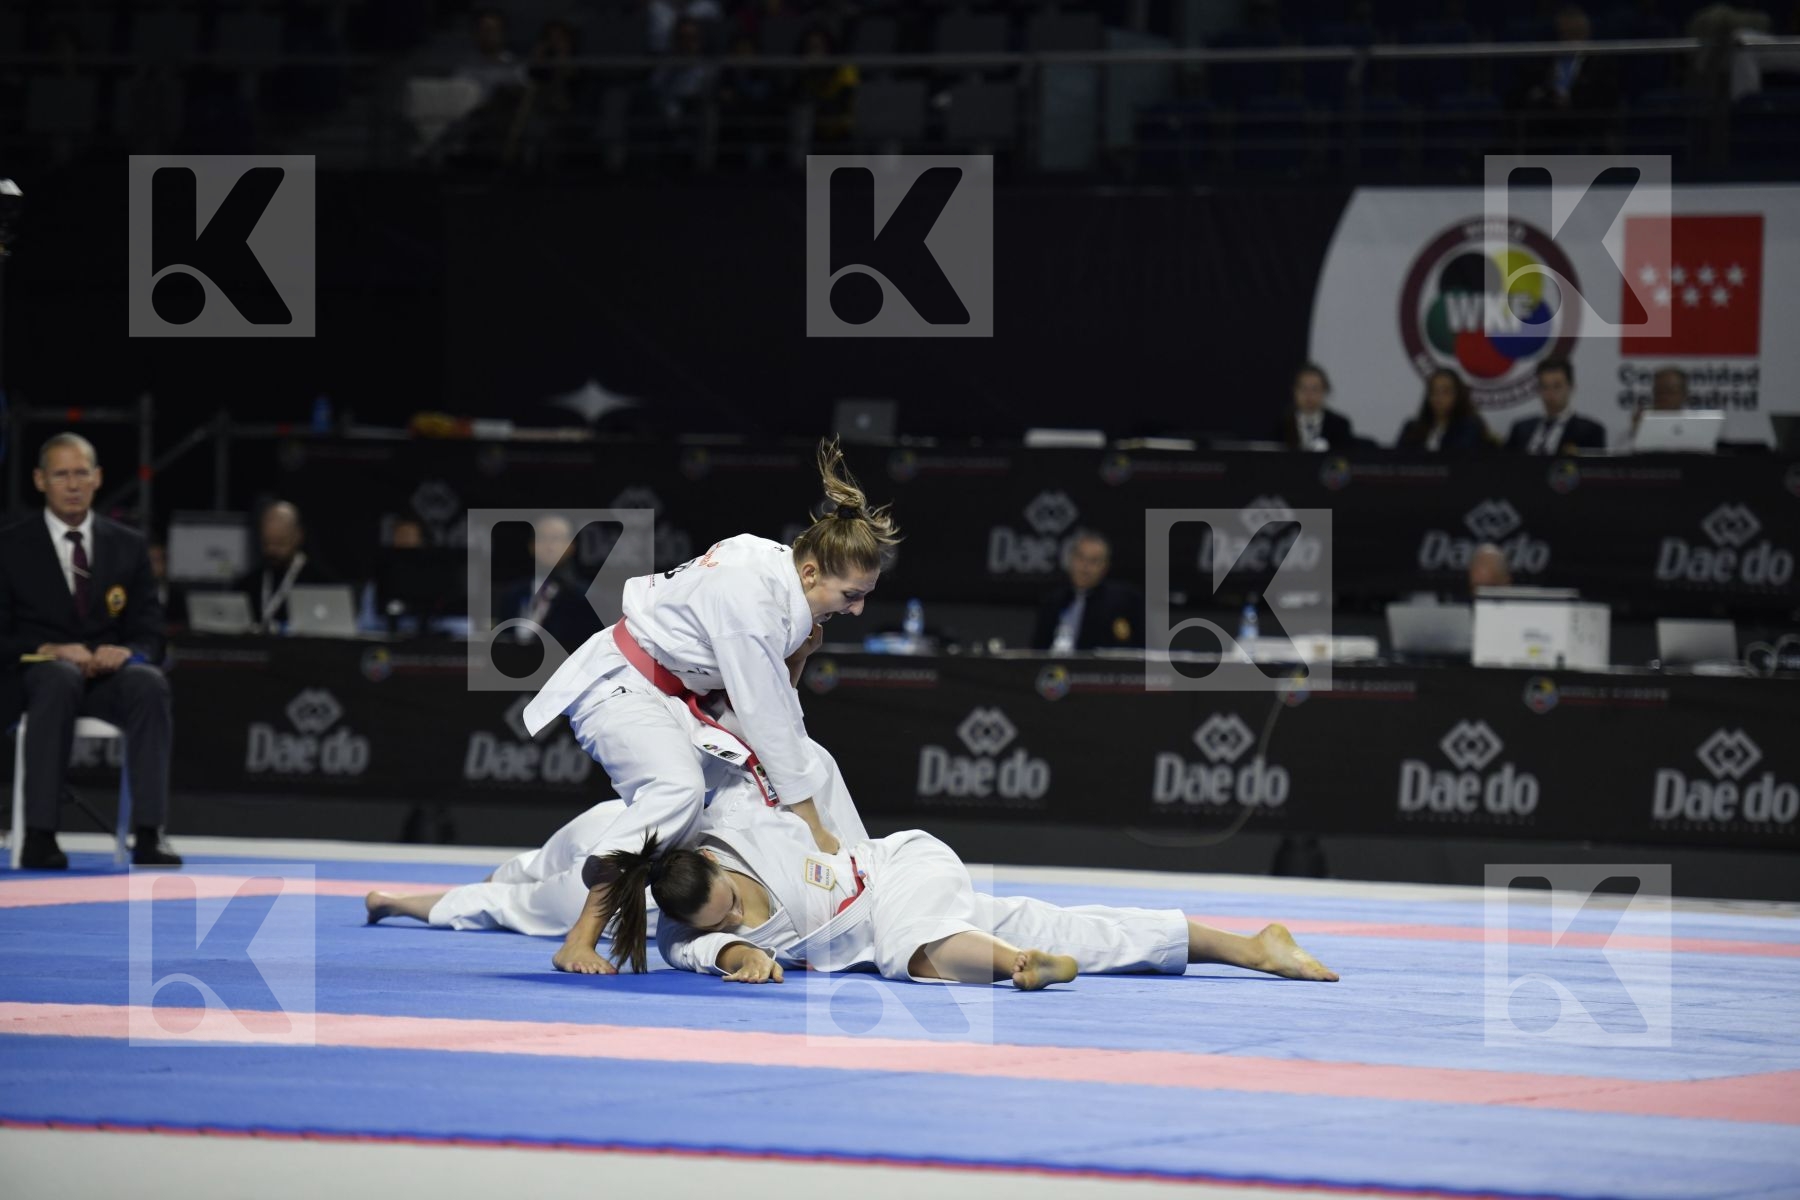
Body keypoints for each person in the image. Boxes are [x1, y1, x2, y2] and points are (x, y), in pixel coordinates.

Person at [522, 437, 900, 975]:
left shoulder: (775, 571)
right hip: (622, 684)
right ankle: (580, 936)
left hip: (677, 698)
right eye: (851, 595)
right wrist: (814, 827)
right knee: (676, 790)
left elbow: (773, 711)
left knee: (794, 765)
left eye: (865, 595)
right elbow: (767, 720)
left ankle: (856, 896)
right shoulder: (752, 597)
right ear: (812, 573)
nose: (858, 609)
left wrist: (799, 656)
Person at [589, 789, 1339, 989]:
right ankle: (1247, 946)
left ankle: (1015, 965)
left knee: (907, 956)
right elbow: (715, 957)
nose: (737, 916)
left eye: (731, 899)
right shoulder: (686, 935)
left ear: (715, 865)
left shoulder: (735, 827)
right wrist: (735, 958)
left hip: (902, 867)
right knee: (1082, 936)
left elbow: (766, 731)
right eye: (725, 920)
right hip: (906, 914)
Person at [364, 730, 862, 937]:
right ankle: (391, 902)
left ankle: (401, 900)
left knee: (523, 874)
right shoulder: (804, 778)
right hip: (617, 877)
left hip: (622, 823)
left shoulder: (772, 782)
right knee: (506, 902)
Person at [0, 433, 180, 869]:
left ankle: (151, 832)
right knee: (58, 676)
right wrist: (48, 648)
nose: (73, 484)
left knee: (149, 682)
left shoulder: (128, 544)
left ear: (98, 478)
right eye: (61, 474)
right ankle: (40, 836)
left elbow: (151, 632)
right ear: (40, 480)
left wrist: (128, 651)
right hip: (36, 675)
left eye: (82, 473)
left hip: (105, 676)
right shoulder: (10, 544)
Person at [496, 513, 604, 655]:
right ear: (531, 546)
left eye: (556, 539)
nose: (549, 546)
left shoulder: (588, 598)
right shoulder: (511, 595)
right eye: (542, 538)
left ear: (571, 546)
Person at [1031, 529, 1145, 653]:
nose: (1085, 567)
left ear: (1105, 566)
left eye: (1093, 561)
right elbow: (1037, 651)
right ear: (1070, 559)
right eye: (1080, 558)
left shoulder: (1125, 601)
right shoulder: (1054, 602)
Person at [238, 501, 334, 631]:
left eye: (280, 543)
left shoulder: (321, 583)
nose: (272, 550)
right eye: (267, 543)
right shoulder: (246, 585)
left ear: (298, 536)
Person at [1504, 357, 1606, 454]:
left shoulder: (1590, 432)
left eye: (1557, 386)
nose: (1550, 393)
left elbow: (1592, 470)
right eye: (1544, 387)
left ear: (1571, 388)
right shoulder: (1520, 429)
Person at [1395, 369, 1491, 451]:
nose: (1438, 397)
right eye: (1434, 391)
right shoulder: (1412, 428)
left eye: (1446, 392)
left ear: (1458, 396)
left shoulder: (1469, 427)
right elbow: (1399, 462)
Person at [1273, 362, 1355, 451]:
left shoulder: (1339, 425)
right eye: (1303, 388)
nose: (1309, 395)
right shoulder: (1281, 424)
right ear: (1294, 391)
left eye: (1315, 389)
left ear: (1325, 391)